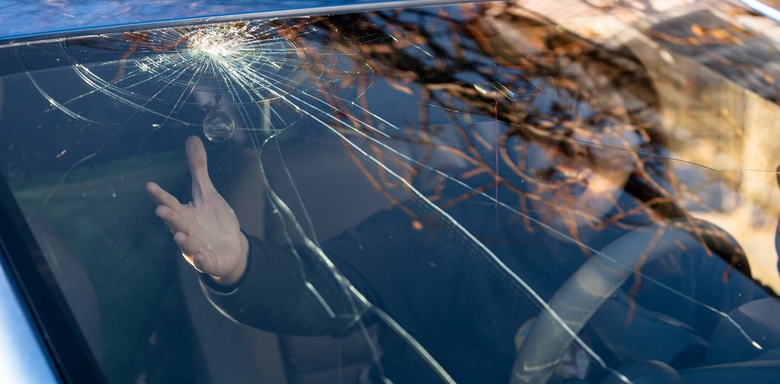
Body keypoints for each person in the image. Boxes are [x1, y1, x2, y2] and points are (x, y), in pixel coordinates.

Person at [146, 96, 762, 382]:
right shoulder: (450, 226)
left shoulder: (655, 237)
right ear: (517, 144)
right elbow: (331, 289)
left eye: (601, 141)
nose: (575, 161)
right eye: (553, 138)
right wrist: (239, 266)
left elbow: (742, 316)